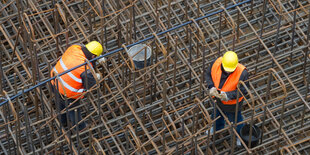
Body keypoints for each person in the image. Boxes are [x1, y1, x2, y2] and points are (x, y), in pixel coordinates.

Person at [50, 41, 105, 130]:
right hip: (68, 94)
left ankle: (62, 121)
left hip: (54, 81)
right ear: (93, 56)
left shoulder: (74, 48)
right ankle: (80, 128)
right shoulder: (85, 70)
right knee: (74, 111)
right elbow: (91, 86)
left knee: (60, 105)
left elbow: (82, 49)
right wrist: (96, 77)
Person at [205, 51, 249, 146]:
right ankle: (217, 129)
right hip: (216, 99)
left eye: (231, 70)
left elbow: (243, 90)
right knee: (217, 115)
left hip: (232, 104)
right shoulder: (216, 64)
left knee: (236, 120)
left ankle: (240, 136)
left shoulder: (242, 73)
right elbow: (208, 74)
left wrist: (228, 96)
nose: (229, 71)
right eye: (227, 69)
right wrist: (211, 86)